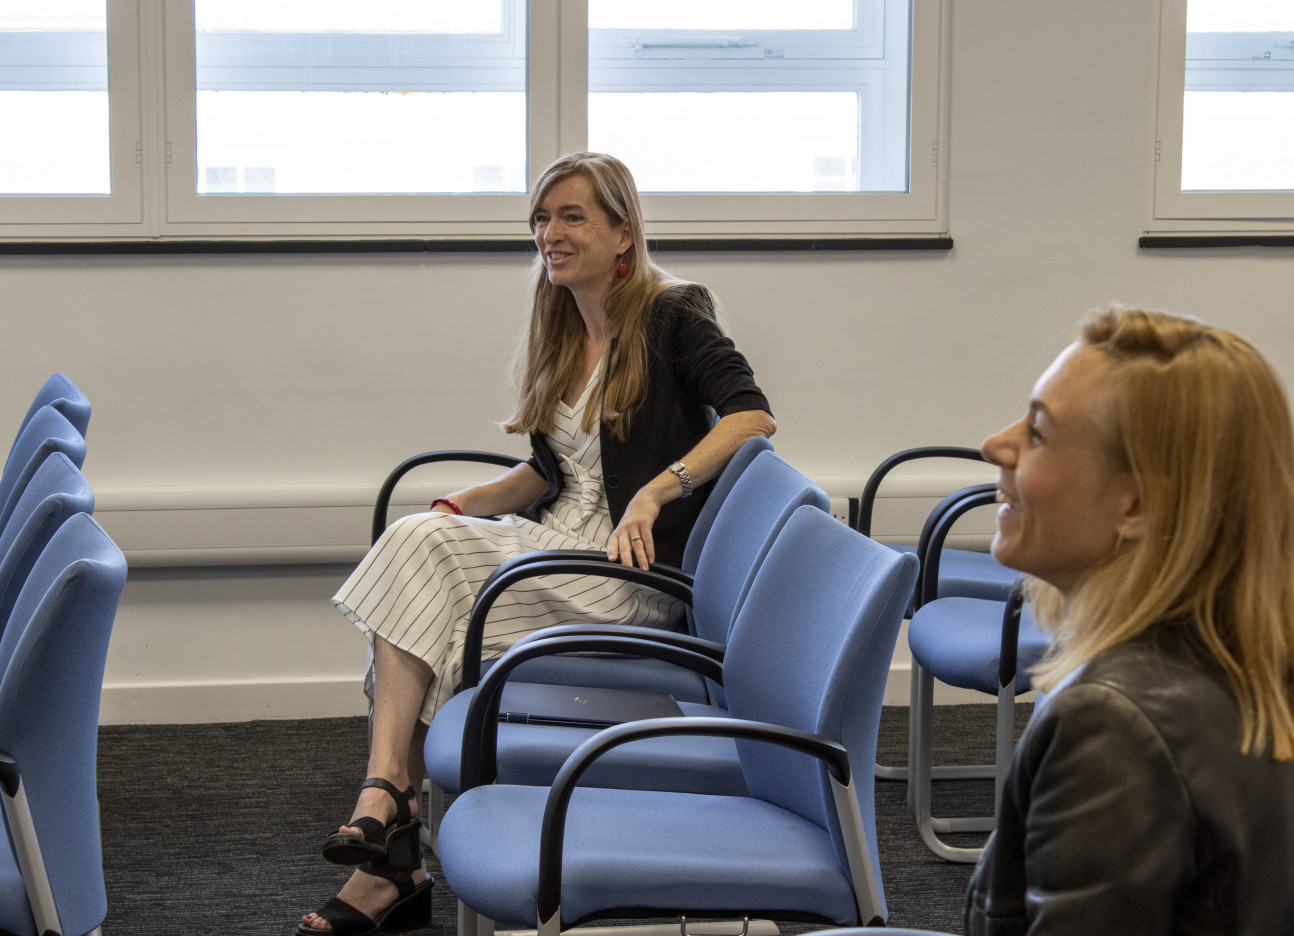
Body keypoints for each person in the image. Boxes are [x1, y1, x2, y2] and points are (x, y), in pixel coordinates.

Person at [297, 152, 775, 935]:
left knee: (430, 594)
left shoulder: (673, 312)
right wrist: (468, 505)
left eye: (572, 217)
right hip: (553, 548)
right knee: (424, 558)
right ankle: (386, 822)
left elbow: (751, 417)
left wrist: (658, 490)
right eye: (541, 220)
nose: (550, 234)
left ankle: (389, 838)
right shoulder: (564, 325)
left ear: (624, 232)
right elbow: (553, 468)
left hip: (629, 573)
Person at [965, 305, 1294, 934]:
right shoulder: (1248, 662)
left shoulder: (1113, 724)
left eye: (1038, 433)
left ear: (1136, 503)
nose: (995, 445)